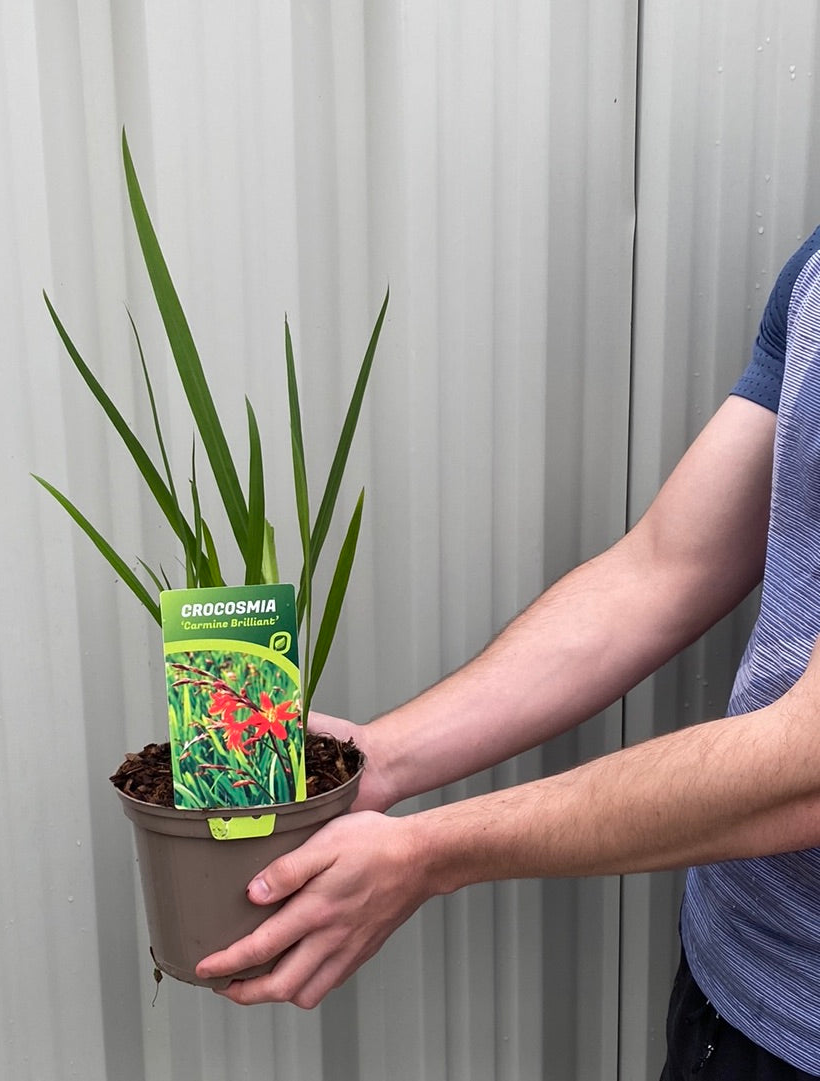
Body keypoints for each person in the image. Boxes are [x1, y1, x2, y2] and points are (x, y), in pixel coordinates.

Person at [196, 225, 820, 1079]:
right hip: (732, 983)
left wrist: (428, 853)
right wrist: (378, 759)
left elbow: (808, 762)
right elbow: (665, 568)